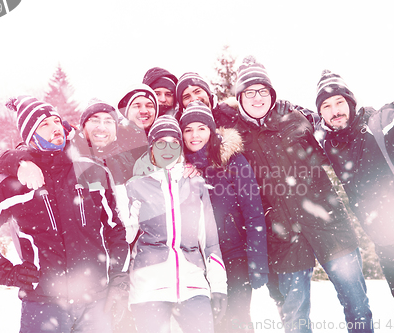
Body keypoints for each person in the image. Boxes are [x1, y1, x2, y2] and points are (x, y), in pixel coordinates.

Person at [0, 95, 130, 333]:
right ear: (30, 136)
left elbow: (115, 230)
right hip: (43, 305)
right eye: (44, 125)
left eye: (56, 121)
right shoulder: (10, 184)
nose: (55, 128)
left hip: (95, 303)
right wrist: (5, 271)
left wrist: (118, 278)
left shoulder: (92, 171)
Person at [232, 57, 373, 333]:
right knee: (295, 317)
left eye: (263, 91)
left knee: (356, 304)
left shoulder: (295, 118)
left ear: (272, 94)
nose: (257, 97)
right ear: (239, 97)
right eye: (249, 92)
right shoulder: (237, 138)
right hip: (285, 238)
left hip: (329, 225)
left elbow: (334, 135)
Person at [314, 69, 394, 331]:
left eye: (339, 102)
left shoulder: (377, 125)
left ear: (350, 103)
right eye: (326, 106)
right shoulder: (329, 142)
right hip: (389, 248)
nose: (335, 110)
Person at [125, 115, 228, 333]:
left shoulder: (196, 185)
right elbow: (125, 237)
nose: (167, 149)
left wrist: (219, 287)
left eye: (174, 143)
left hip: (193, 285)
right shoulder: (136, 186)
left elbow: (209, 242)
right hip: (148, 287)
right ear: (151, 148)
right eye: (161, 143)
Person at [179, 101, 269, 332]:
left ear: (211, 130)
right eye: (188, 130)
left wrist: (257, 262)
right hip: (200, 260)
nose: (195, 135)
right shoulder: (180, 167)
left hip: (234, 254)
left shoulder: (233, 161)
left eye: (201, 128)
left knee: (237, 322)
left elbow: (253, 213)